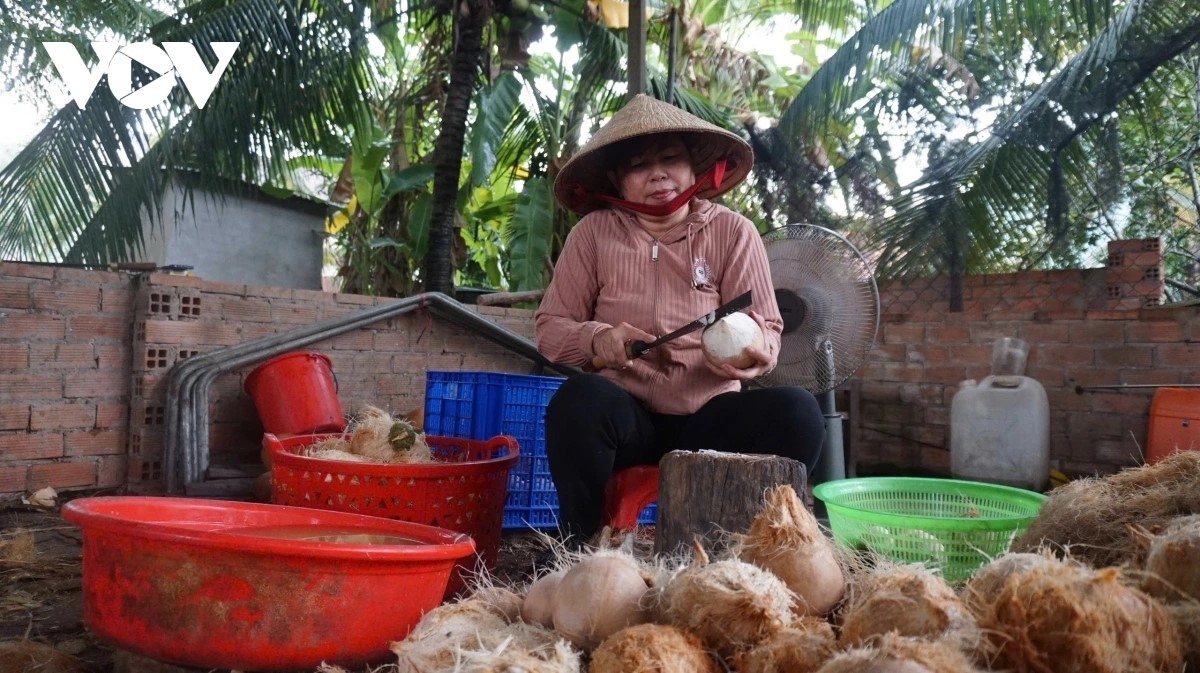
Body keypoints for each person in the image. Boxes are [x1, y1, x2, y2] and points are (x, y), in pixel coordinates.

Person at [534, 93, 825, 547]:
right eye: (638, 166)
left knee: (798, 412)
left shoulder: (733, 232)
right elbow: (550, 330)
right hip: (628, 420)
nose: (657, 174)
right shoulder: (592, 235)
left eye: (670, 158)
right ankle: (580, 547)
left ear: (693, 169)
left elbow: (766, 325)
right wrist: (599, 339)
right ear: (617, 181)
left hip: (710, 418)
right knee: (578, 401)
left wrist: (758, 356)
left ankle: (760, 544)